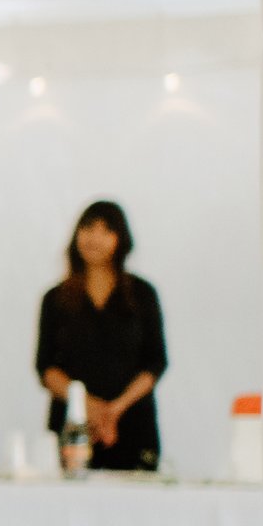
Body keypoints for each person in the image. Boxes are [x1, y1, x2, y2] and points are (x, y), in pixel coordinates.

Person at [35, 199, 167, 471]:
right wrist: (89, 407)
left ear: (121, 239)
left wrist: (114, 410)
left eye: (106, 230)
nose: (94, 237)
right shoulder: (56, 299)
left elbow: (155, 362)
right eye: (87, 228)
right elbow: (46, 367)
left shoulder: (142, 295)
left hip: (132, 425)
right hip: (72, 428)